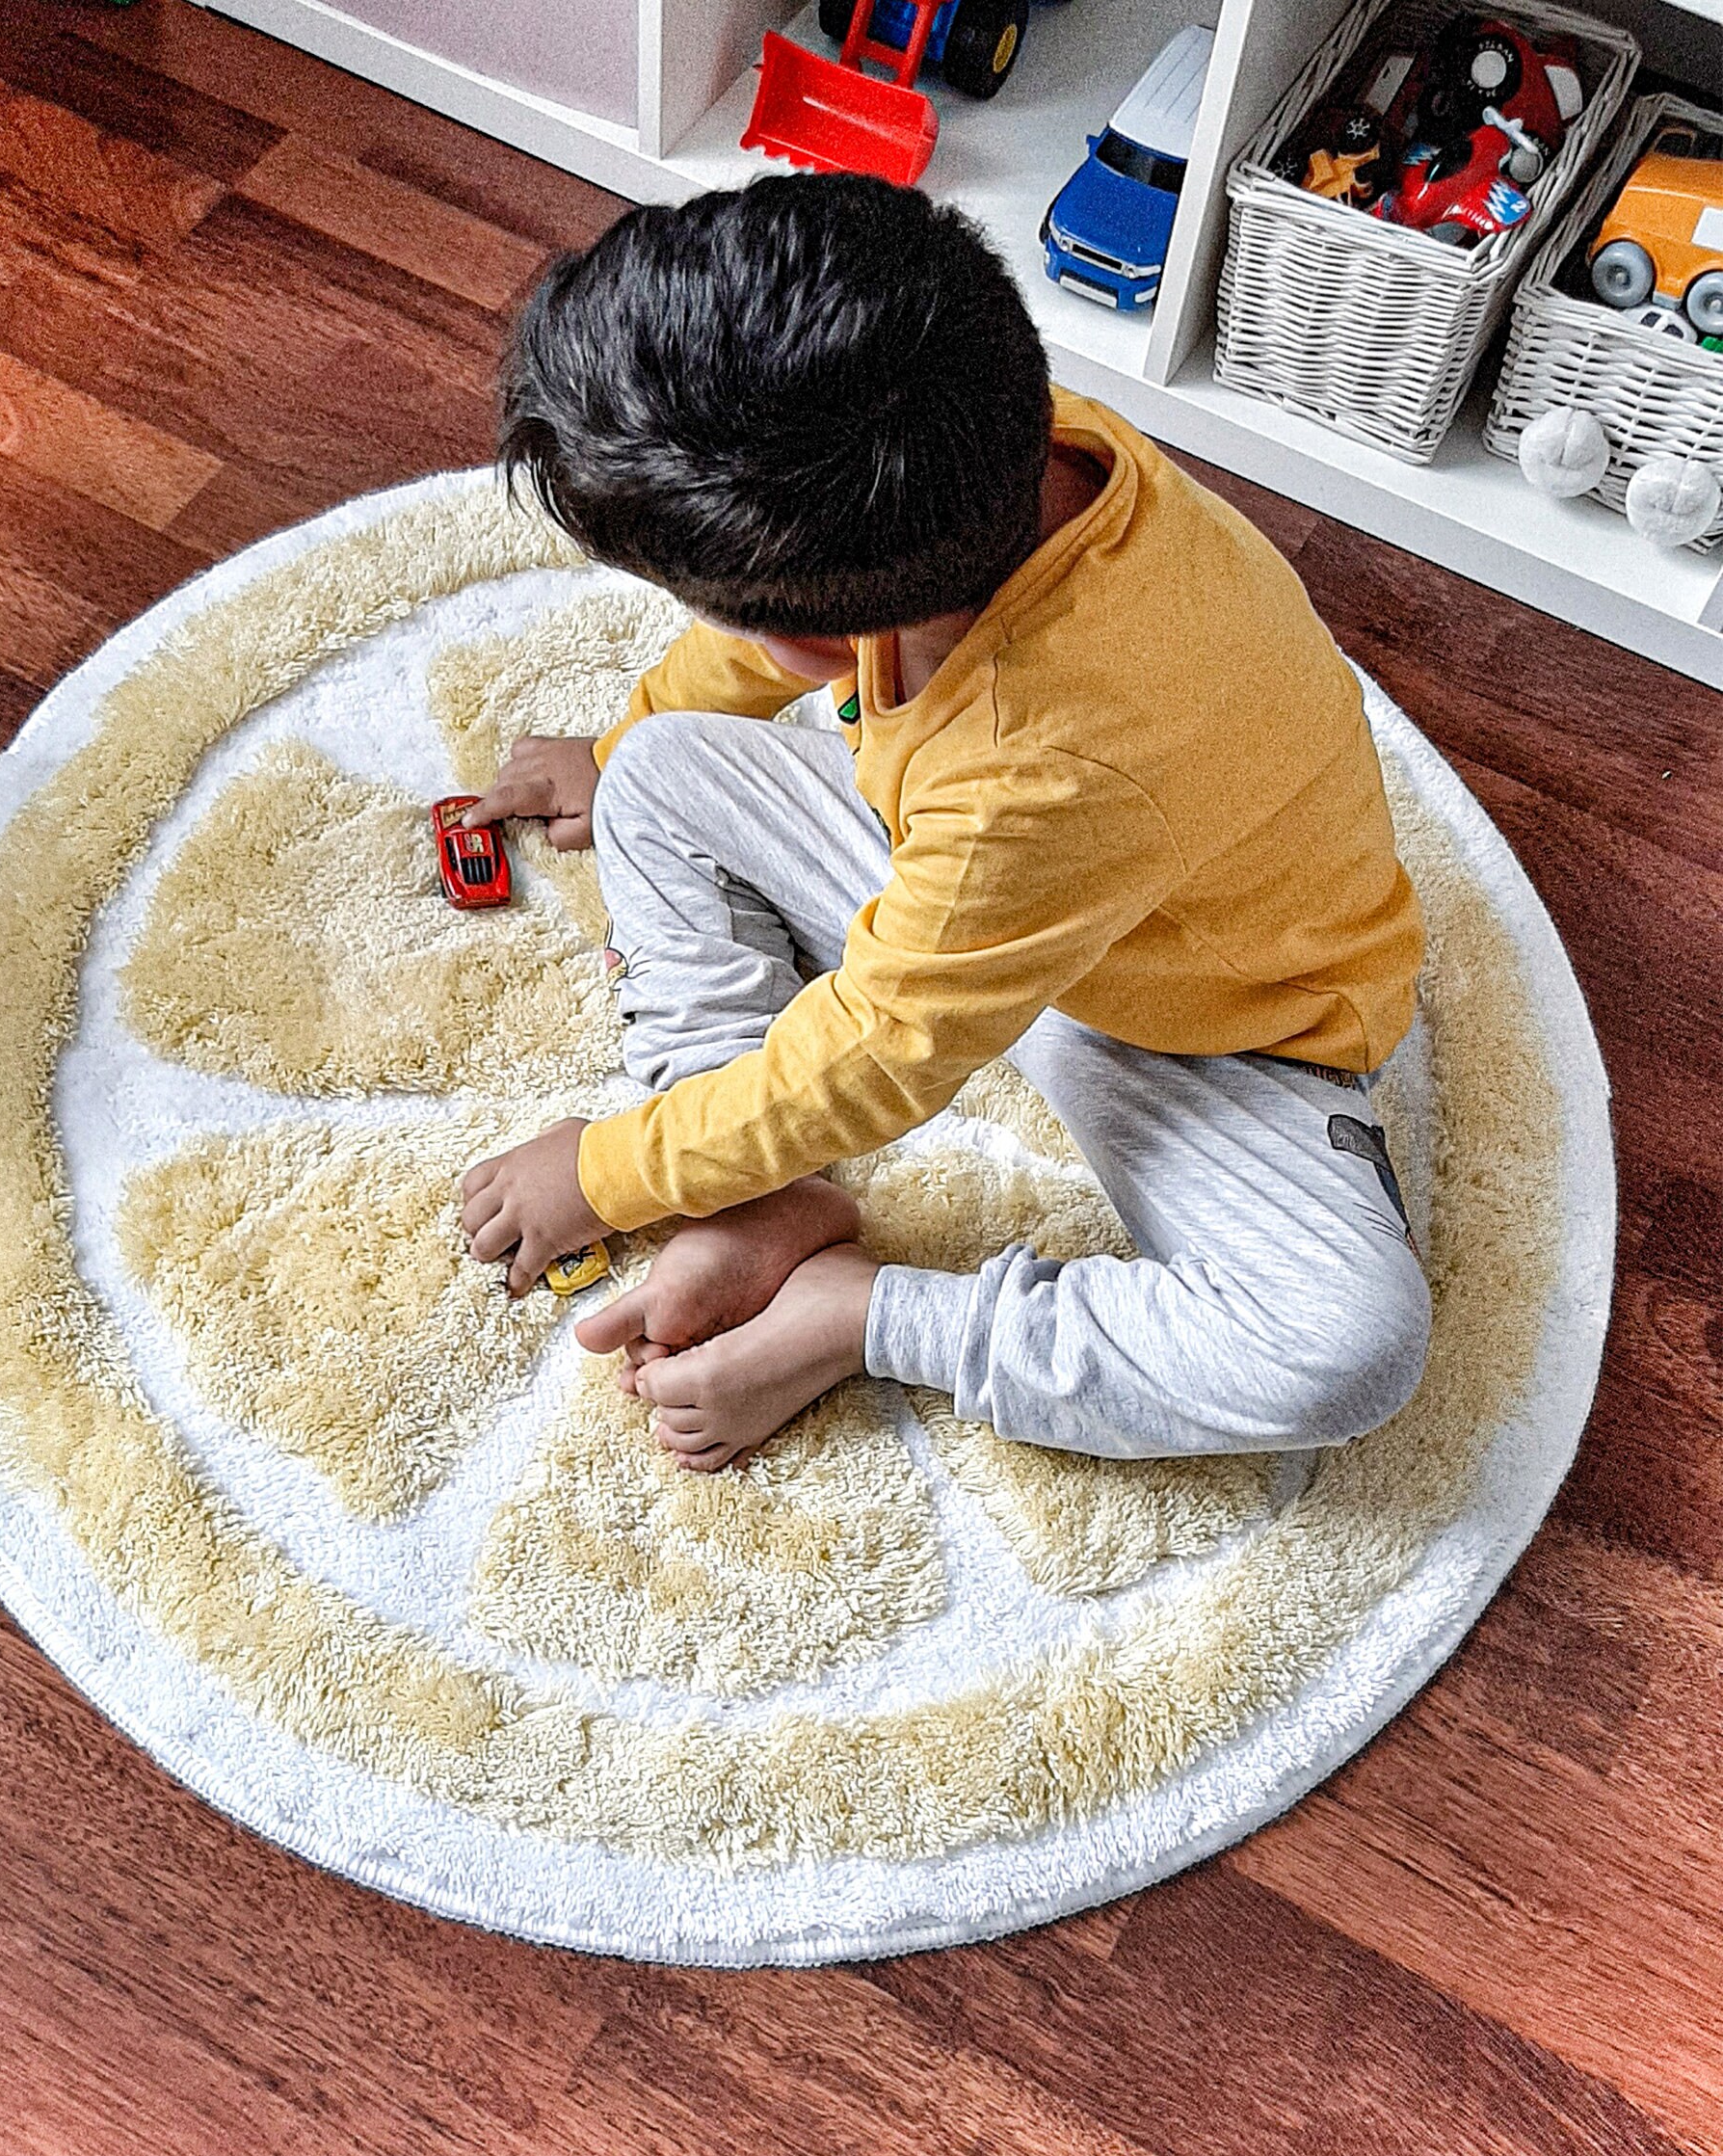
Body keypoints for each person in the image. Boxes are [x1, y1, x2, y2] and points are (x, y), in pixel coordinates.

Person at [462, 173, 1430, 1475]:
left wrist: (618, 1170)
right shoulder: (1010, 443)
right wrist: (620, 745)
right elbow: (751, 670)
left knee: (1345, 1346)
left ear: (810, 638)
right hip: (996, 900)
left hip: (1218, 1027)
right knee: (657, 777)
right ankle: (770, 1200)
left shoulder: (1044, 764)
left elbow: (879, 1060)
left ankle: (852, 1313)